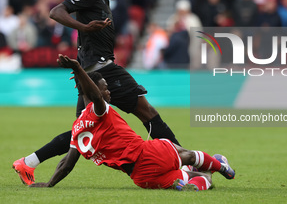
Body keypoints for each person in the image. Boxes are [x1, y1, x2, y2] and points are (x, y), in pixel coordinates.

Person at [12, 0, 180, 185]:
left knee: (80, 132)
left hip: (91, 73)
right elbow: (56, 12)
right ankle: (184, 161)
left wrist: (82, 70)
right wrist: (83, 28)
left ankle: (28, 162)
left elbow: (87, 39)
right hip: (104, 71)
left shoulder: (100, 0)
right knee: (147, 112)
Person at [28, 54, 235, 191]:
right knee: (186, 154)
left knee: (191, 177)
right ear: (94, 91)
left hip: (140, 177)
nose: (109, 92)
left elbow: (67, 164)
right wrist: (77, 67)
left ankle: (194, 181)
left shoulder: (77, 130)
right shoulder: (98, 110)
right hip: (148, 154)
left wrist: (49, 185)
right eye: (105, 87)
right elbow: (96, 97)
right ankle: (223, 168)